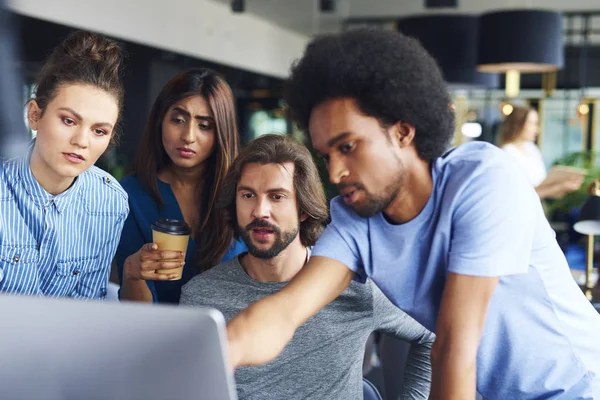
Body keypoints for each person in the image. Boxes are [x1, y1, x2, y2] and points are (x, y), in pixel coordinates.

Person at [224, 29, 600, 399]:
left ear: (403, 131)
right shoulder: (355, 220)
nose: (336, 173)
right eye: (326, 155)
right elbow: (284, 312)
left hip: (582, 387)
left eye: (349, 146)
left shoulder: (483, 179)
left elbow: (454, 347)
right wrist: (224, 351)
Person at [180, 134, 434, 400]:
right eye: (247, 195)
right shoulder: (202, 297)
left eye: (277, 196)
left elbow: (430, 336)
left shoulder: (354, 286)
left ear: (303, 209)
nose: (259, 211)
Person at [0, 31, 129, 298]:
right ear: (35, 115)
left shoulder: (110, 202)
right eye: (69, 121)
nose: (81, 141)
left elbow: (88, 305)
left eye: (99, 131)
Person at [115, 68, 246, 304]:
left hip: (235, 334)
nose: (188, 136)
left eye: (204, 125)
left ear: (221, 133)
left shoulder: (242, 193)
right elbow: (135, 313)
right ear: (160, 121)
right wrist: (132, 274)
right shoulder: (131, 194)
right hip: (159, 334)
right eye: (178, 120)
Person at [499, 106, 583, 199]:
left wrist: (563, 186)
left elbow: (540, 189)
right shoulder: (507, 153)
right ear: (518, 123)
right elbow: (520, 195)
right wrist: (558, 187)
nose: (537, 130)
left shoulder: (532, 149)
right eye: (532, 124)